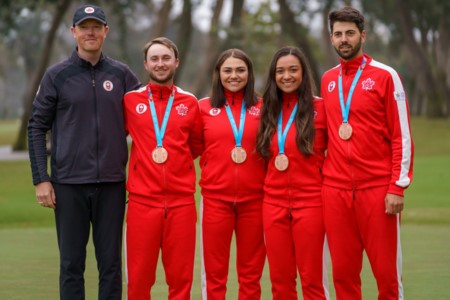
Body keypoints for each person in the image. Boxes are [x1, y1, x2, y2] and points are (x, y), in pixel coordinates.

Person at [27, 4, 141, 300]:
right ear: (73, 32)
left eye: (96, 26)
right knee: (71, 265)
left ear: (106, 31)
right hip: (68, 185)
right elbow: (36, 127)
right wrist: (41, 178)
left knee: (111, 265)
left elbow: (144, 120)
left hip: (112, 185)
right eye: (84, 27)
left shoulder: (122, 75)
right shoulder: (56, 76)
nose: (90, 32)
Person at [320, 6, 414, 300]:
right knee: (343, 275)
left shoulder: (386, 76)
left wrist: (397, 186)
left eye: (350, 33)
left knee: (386, 275)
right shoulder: (327, 79)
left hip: (377, 190)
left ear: (363, 35)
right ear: (331, 39)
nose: (344, 39)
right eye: (338, 34)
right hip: (335, 191)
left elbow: (402, 135)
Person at [123, 37, 203, 300]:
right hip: (142, 204)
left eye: (166, 58)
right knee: (139, 280)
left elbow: (195, 145)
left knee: (180, 281)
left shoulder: (190, 102)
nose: (160, 64)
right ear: (146, 64)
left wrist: (174, 165)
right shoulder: (130, 101)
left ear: (176, 62)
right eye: (154, 59)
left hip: (181, 203)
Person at [256, 46, 329, 300]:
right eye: (280, 71)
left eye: (293, 70)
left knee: (312, 280)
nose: (287, 76)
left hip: (311, 203)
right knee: (280, 281)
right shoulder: (265, 109)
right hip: (273, 204)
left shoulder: (323, 108)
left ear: (303, 73)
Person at [198, 49, 266, 299]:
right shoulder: (203, 108)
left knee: (251, 275)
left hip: (256, 201)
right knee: (214, 274)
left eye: (240, 70)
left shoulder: (264, 107)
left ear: (249, 73)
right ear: (218, 74)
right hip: (216, 201)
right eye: (227, 70)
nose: (234, 75)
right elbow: (196, 146)